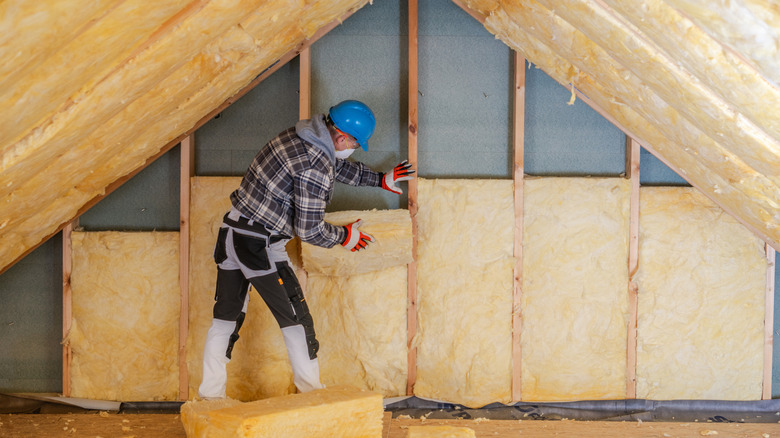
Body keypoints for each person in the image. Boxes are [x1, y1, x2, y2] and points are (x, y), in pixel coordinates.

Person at [198, 99, 415, 399]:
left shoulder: (301, 136)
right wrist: (344, 237)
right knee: (296, 320)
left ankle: (210, 398)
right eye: (355, 142)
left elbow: (336, 166)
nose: (354, 147)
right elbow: (310, 229)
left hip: (233, 232)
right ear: (341, 137)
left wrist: (380, 179)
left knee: (225, 318)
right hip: (258, 244)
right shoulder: (315, 164)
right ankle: (312, 395)